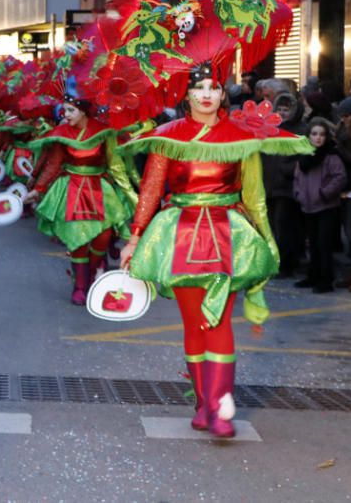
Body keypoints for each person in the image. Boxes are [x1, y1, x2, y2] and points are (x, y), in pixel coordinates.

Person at [119, 62, 310, 438]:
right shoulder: (166, 136)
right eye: (198, 88)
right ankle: (204, 403)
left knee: (218, 321)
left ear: (223, 94)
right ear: (186, 95)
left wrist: (267, 240)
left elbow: (254, 196)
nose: (206, 94)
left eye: (213, 87)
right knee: (194, 324)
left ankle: (221, 405)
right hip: (179, 235)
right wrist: (135, 237)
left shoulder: (241, 137)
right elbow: (151, 190)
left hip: (227, 234)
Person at [24, 82, 135, 305]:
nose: (65, 115)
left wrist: (133, 195)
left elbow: (115, 166)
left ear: (83, 110)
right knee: (77, 242)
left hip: (99, 190)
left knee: (102, 239)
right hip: (71, 190)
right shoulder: (61, 133)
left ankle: (91, 275)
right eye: (64, 110)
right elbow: (54, 164)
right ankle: (80, 286)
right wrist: (37, 189)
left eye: (70, 110)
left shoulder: (104, 133)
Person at [293, 118, 347, 293]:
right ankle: (313, 275)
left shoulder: (331, 156)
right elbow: (297, 178)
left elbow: (340, 177)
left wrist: (324, 193)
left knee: (323, 244)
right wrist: (298, 194)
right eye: (314, 134)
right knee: (313, 243)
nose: (318, 138)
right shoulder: (304, 156)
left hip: (326, 206)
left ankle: (325, 280)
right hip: (307, 206)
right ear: (308, 136)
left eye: (322, 134)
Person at [262, 92, 306, 276]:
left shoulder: (300, 130)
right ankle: (278, 261)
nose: (282, 113)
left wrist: (288, 170)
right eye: (279, 109)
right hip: (270, 185)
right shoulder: (270, 128)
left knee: (284, 226)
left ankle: (286, 263)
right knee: (272, 225)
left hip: (287, 186)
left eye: (286, 110)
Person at [335, 97, 351, 292]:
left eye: (347, 116)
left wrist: (339, 149)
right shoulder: (343, 131)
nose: (344, 119)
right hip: (346, 188)